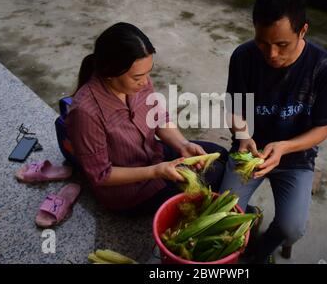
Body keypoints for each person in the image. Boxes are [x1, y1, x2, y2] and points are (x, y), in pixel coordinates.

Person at [219, 0, 327, 263]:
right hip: (249, 153)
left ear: (303, 30)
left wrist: (284, 147)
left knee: (292, 228)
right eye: (263, 41)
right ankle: (249, 223)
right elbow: (234, 108)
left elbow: (322, 129)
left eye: (282, 44)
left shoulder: (323, 67)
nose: (271, 54)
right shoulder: (244, 56)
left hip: (294, 158)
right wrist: (244, 134)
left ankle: (261, 248)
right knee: (221, 215)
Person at [66, 22, 226, 214]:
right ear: (110, 73)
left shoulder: (139, 82)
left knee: (220, 154)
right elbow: (101, 174)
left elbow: (158, 118)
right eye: (137, 77)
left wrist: (182, 145)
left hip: (155, 156)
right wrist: (156, 171)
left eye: (148, 73)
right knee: (215, 173)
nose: (145, 82)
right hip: (130, 190)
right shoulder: (85, 113)